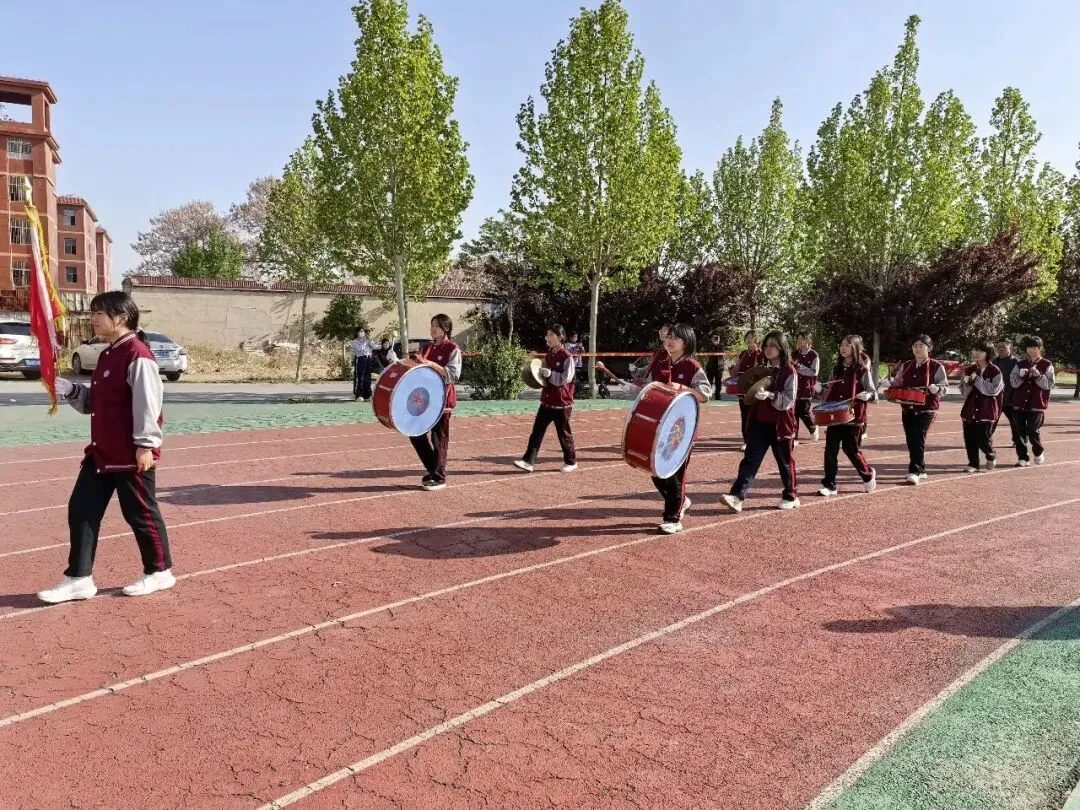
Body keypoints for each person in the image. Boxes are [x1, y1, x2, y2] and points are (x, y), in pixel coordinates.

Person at [37, 291, 175, 604]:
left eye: (100, 313)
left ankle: (159, 571)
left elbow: (148, 403)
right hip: (101, 451)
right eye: (93, 312)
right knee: (81, 510)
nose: (93, 318)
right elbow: (95, 405)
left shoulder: (137, 355)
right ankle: (78, 578)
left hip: (130, 453)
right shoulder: (107, 354)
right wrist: (72, 391)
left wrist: (145, 445)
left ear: (122, 317)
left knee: (139, 513)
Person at [624, 323, 711, 534]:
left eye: (676, 338)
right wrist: (633, 386)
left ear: (686, 342)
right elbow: (651, 388)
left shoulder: (692, 366)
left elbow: (705, 394)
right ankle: (680, 500)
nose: (670, 341)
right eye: (669, 337)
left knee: (676, 473)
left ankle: (672, 518)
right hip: (661, 427)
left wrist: (685, 388)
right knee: (656, 471)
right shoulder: (661, 363)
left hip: (682, 430)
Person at [721, 330, 800, 512]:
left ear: (782, 347)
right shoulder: (761, 369)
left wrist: (770, 395)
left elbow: (788, 400)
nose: (768, 349)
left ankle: (791, 495)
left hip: (781, 424)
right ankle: (737, 496)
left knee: (785, 462)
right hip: (759, 421)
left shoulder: (789, 371)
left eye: (773, 345)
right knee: (750, 460)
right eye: (766, 345)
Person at [880, 335, 949, 485]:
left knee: (917, 438)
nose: (917, 349)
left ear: (929, 348)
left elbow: (944, 388)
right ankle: (921, 468)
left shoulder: (937, 366)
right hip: (907, 408)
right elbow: (898, 383)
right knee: (911, 440)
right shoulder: (907, 366)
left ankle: (914, 471)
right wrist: (890, 383)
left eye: (921, 346)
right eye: (915, 346)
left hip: (926, 409)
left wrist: (936, 388)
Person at [817, 335, 877, 496]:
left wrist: (867, 395)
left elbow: (873, 394)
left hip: (854, 417)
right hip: (834, 416)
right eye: (842, 345)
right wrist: (819, 390)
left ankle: (868, 474)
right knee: (830, 450)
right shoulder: (836, 370)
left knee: (851, 450)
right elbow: (827, 393)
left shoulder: (862, 370)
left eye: (848, 345)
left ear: (856, 348)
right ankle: (830, 485)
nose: (843, 348)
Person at [514, 324, 578, 474]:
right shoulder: (549, 355)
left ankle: (571, 461)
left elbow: (565, 379)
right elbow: (543, 378)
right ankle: (528, 461)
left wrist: (550, 375)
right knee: (536, 432)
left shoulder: (567, 357)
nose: (547, 338)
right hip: (547, 401)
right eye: (547, 335)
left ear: (560, 337)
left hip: (562, 403)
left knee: (564, 434)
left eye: (550, 335)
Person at [410, 314, 462, 490]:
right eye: (432, 325)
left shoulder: (453, 348)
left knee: (439, 439)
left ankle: (439, 477)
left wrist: (428, 364)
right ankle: (434, 469)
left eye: (437, 326)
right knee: (415, 433)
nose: (433, 329)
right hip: (426, 399)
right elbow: (418, 368)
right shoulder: (427, 347)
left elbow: (452, 375)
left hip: (443, 400)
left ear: (445, 328)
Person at [1010, 335, 1055, 467]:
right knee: (1019, 432)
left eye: (1035, 347)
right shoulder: (1020, 364)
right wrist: (1020, 376)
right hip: (1019, 403)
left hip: (1037, 403)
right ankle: (1023, 458)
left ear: (1040, 348)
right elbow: (1013, 383)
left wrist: (1038, 376)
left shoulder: (1046, 364)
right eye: (1029, 347)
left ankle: (1038, 451)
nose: (1031, 350)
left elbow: (1049, 384)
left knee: (1032, 430)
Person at [960, 342, 1004, 472]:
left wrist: (978, 380)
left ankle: (991, 455)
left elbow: (993, 391)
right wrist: (967, 384)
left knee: (983, 439)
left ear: (988, 353)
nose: (977, 353)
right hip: (970, 409)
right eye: (975, 350)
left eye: (981, 351)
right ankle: (973, 463)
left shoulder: (995, 370)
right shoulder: (969, 369)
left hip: (986, 410)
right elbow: (964, 392)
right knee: (969, 439)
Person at [730, 331, 764, 450]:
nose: (749, 340)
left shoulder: (761, 354)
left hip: (754, 390)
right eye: (747, 338)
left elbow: (762, 372)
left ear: (757, 339)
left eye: (751, 337)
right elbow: (736, 369)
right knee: (745, 415)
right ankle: (747, 441)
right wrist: (732, 375)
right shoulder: (743, 354)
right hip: (742, 389)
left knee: (754, 416)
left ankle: (756, 440)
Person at [793, 331, 821, 444]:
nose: (799, 341)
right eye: (798, 338)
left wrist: (799, 367)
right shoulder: (794, 354)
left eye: (802, 339)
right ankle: (794, 436)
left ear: (808, 340)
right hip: (794, 387)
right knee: (793, 412)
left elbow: (814, 372)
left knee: (804, 412)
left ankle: (813, 427)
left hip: (806, 388)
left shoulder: (814, 355)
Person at [992, 338, 1019, 449]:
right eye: (999, 346)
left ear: (1010, 347)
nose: (1001, 348)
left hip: (1011, 399)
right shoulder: (993, 362)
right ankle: (986, 440)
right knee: (991, 421)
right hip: (996, 399)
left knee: (1015, 423)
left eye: (1004, 346)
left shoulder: (1016, 362)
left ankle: (1018, 441)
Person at [351, 328, 375, 401]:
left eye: (363, 331)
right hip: (361, 359)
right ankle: (359, 395)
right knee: (360, 377)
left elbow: (373, 347)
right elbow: (359, 350)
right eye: (360, 331)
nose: (362, 333)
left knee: (367, 378)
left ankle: (367, 394)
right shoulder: (355, 342)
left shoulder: (368, 341)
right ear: (357, 333)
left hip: (368, 359)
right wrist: (363, 342)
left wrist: (369, 340)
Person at [704, 334, 724, 401]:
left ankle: (718, 396)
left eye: (717, 338)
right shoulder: (709, 346)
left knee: (718, 382)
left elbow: (721, 353)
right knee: (709, 382)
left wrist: (717, 345)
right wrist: (713, 345)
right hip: (710, 367)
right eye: (714, 338)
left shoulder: (721, 345)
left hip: (719, 367)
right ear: (712, 339)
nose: (716, 339)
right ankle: (708, 395)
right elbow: (707, 353)